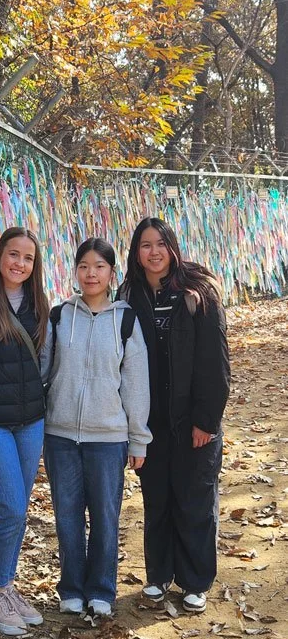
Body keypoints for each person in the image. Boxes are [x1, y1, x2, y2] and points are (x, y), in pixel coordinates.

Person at [118, 217, 230, 614]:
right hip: (150, 419)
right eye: (145, 245)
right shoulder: (129, 295)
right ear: (136, 252)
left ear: (172, 247)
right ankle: (158, 575)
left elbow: (215, 362)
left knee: (194, 499)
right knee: (158, 498)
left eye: (160, 243)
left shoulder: (198, 291)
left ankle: (195, 580)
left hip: (192, 419)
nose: (153, 252)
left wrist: (207, 420)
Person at [42, 238, 151, 617]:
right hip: (60, 436)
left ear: (110, 273)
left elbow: (136, 385)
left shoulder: (126, 320)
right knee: (67, 516)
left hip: (108, 438)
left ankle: (101, 590)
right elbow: (44, 373)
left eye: (99, 266)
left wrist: (138, 439)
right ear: (75, 271)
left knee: (105, 516)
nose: (91, 273)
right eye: (84, 266)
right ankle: (71, 587)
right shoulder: (58, 317)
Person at [0, 227, 49, 636]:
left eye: (28, 258)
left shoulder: (39, 303)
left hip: (31, 420)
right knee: (11, 506)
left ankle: (6, 586)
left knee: (19, 509)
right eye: (13, 254)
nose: (20, 264)